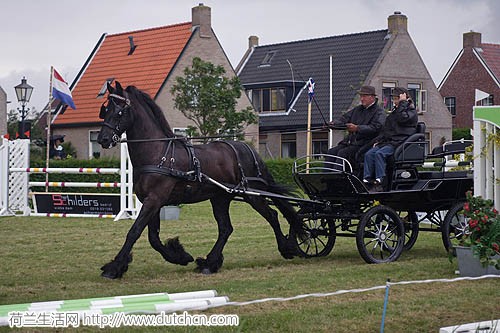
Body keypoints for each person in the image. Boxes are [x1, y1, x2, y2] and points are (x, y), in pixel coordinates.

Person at [363, 87, 418, 192]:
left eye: (397, 98)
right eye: (394, 99)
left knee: (380, 154)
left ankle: (380, 180)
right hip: (390, 141)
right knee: (369, 154)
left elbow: (402, 119)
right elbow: (387, 130)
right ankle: (367, 180)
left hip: (400, 142)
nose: (394, 101)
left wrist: (403, 103)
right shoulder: (395, 113)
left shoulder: (411, 112)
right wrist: (379, 141)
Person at [325, 85, 385, 172]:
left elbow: (376, 128)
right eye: (361, 96)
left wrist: (358, 128)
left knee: (342, 153)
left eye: (364, 96)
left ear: (372, 97)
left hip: (365, 144)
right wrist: (333, 124)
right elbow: (344, 119)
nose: (361, 99)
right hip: (351, 142)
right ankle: (325, 178)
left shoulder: (379, 112)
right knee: (331, 152)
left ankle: (337, 178)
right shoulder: (357, 110)